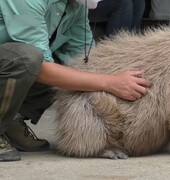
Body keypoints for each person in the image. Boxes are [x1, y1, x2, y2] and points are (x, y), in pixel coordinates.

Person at [0, 0, 150, 162]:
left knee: (68, 71)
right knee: (28, 59)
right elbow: (41, 69)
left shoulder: (75, 6)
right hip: (14, 60)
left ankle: (10, 121)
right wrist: (110, 82)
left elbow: (86, 58)